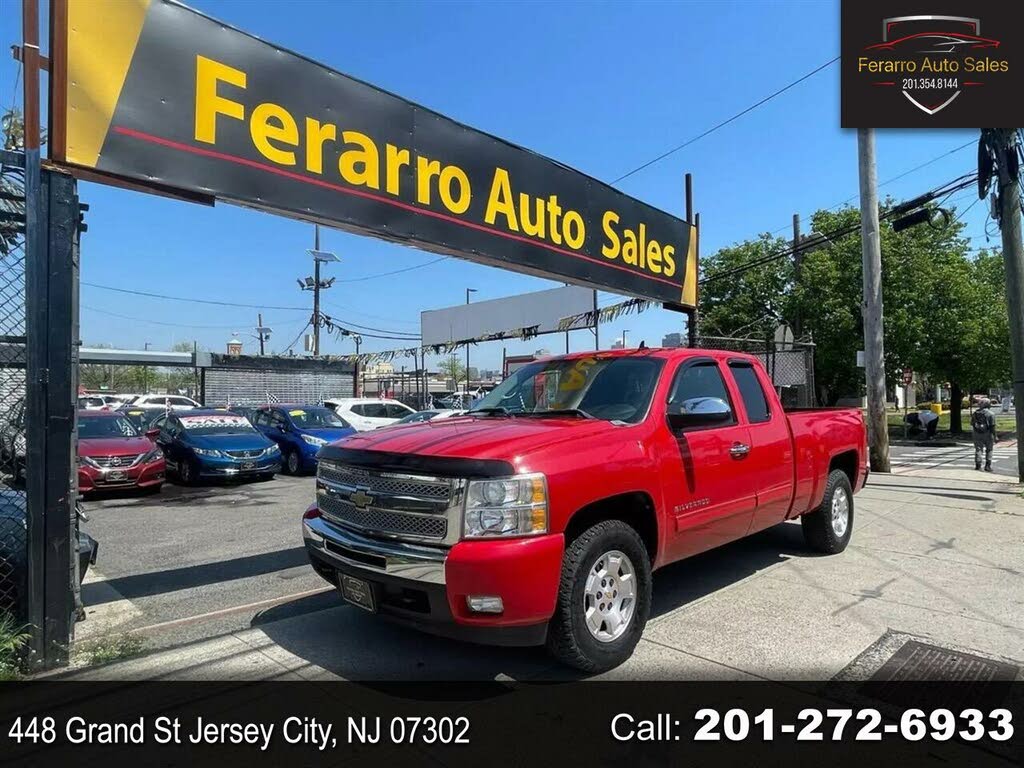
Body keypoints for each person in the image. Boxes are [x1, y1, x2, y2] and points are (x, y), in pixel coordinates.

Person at [971, 398, 997, 472]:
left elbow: (972, 424)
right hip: (988, 434)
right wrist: (995, 436)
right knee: (989, 449)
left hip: (976, 433)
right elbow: (992, 426)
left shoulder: (975, 413)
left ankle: (978, 465)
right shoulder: (991, 414)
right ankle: (988, 466)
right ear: (988, 405)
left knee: (978, 449)